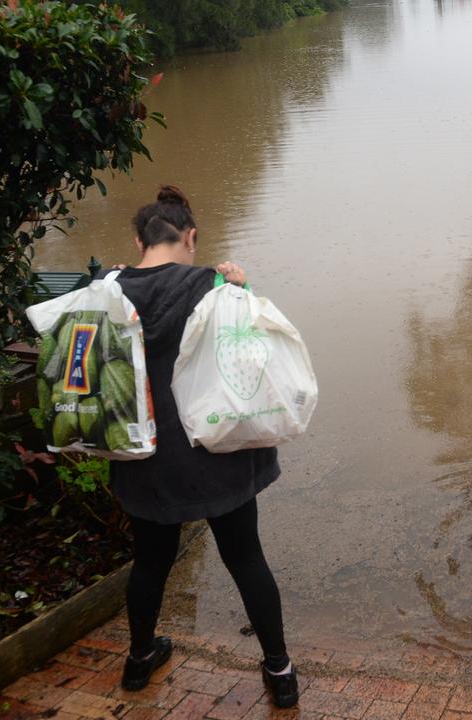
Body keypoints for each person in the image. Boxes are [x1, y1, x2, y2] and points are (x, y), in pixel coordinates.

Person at [107, 186, 298, 708]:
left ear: (139, 240)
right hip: (217, 457)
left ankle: (139, 661)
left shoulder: (108, 291)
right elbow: (249, 358)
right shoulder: (211, 285)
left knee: (149, 564)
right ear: (190, 237)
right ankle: (280, 672)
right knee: (246, 558)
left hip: (145, 458)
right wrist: (241, 287)